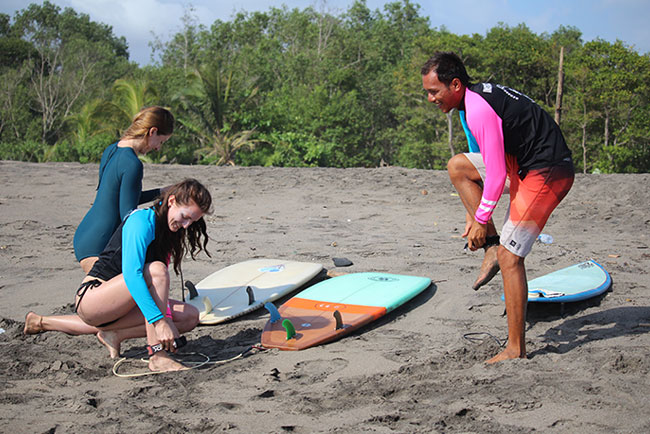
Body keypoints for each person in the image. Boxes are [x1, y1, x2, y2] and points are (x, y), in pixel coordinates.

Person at [422, 51, 574, 363]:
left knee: (510, 257)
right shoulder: (468, 105)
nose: (430, 98)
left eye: (434, 91)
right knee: (458, 166)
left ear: (455, 85)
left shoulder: (478, 109)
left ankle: (516, 349)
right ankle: (491, 246)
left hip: (547, 171)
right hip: (519, 164)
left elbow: (495, 174)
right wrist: (473, 213)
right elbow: (481, 164)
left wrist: (481, 219)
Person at [25, 178, 212, 373]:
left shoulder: (169, 231)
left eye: (192, 221)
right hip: (93, 298)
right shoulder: (141, 221)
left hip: (124, 304)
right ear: (171, 201)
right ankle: (157, 356)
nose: (186, 225)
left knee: (189, 316)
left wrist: (167, 318)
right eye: (185, 217)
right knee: (157, 272)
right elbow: (133, 276)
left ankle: (113, 334)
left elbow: (157, 291)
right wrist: (159, 322)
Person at [73, 106, 175, 274]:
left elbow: (119, 198)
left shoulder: (112, 150)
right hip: (101, 244)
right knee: (144, 280)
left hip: (86, 235)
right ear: (153, 132)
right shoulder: (132, 164)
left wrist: (161, 192)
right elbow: (128, 215)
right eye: (161, 141)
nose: (158, 148)